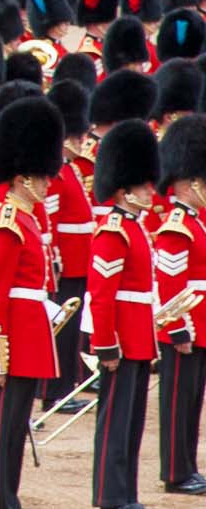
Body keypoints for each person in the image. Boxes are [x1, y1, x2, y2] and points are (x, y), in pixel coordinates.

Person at [0, 95, 66, 509]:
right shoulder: (7, 224)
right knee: (2, 427)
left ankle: (5, 496)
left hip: (29, 334)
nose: (48, 183)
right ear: (21, 178)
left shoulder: (27, 219)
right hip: (12, 339)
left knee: (15, 426)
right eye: (42, 177)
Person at [89, 117, 160, 509]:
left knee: (131, 426)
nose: (150, 191)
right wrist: (105, 344)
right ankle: (110, 494)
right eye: (142, 184)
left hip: (137, 338)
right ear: (123, 188)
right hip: (119, 339)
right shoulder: (114, 230)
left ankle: (125, 492)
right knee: (115, 423)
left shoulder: (134, 228)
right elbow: (102, 295)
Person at [156, 113, 206, 496]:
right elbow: (170, 281)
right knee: (177, 403)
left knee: (191, 404)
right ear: (190, 184)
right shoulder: (177, 224)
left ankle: (187, 465)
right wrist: (177, 328)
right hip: (185, 323)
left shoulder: (195, 221)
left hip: (199, 323)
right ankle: (175, 471)